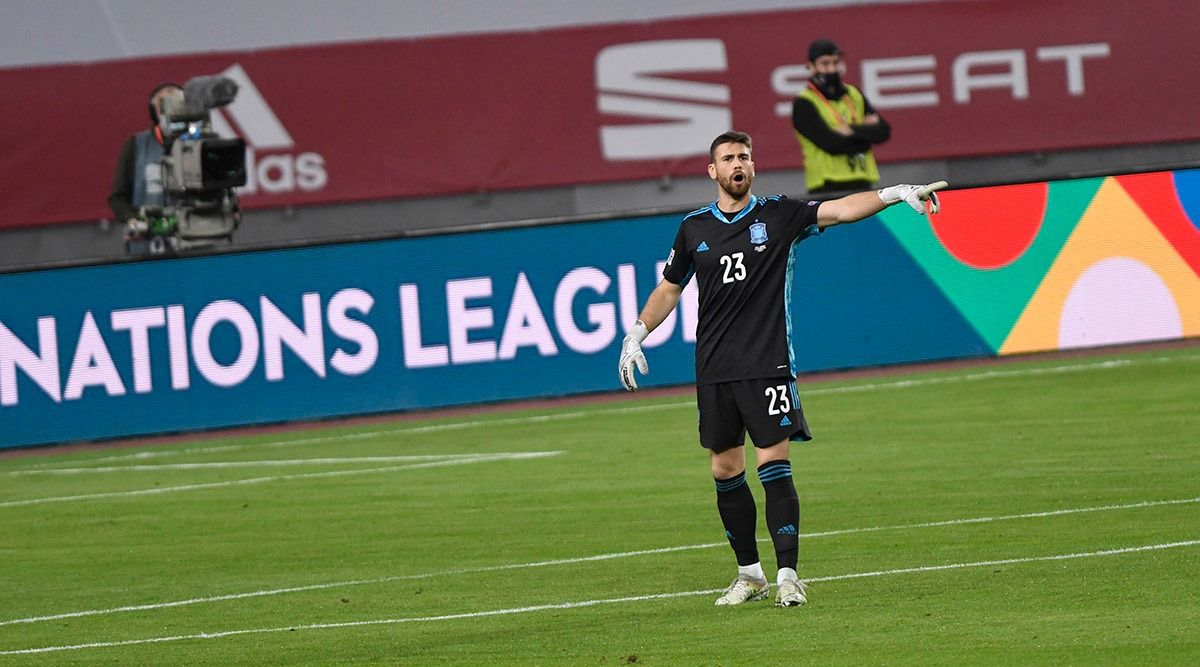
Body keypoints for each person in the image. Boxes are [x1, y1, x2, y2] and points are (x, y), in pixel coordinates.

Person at [618, 131, 943, 607]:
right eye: (728, 158)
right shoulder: (693, 229)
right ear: (712, 171)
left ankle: (789, 575)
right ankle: (749, 575)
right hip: (714, 369)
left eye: (744, 157)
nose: (737, 164)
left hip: (768, 362)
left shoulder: (779, 215)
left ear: (753, 166)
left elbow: (839, 209)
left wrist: (895, 194)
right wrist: (636, 332)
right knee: (724, 468)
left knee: (774, 464)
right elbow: (669, 288)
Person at [792, 39, 891, 195]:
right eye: (825, 64)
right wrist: (866, 136)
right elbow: (831, 144)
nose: (831, 69)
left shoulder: (853, 94)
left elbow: (883, 131)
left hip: (863, 182)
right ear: (811, 66)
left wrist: (850, 130)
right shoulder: (804, 103)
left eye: (835, 63)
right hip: (826, 187)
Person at [108, 82, 183, 244]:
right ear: (154, 111)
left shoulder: (200, 144)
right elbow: (118, 196)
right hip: (147, 244)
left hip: (195, 245)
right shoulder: (136, 144)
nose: (170, 111)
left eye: (177, 105)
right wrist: (132, 220)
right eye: (163, 105)